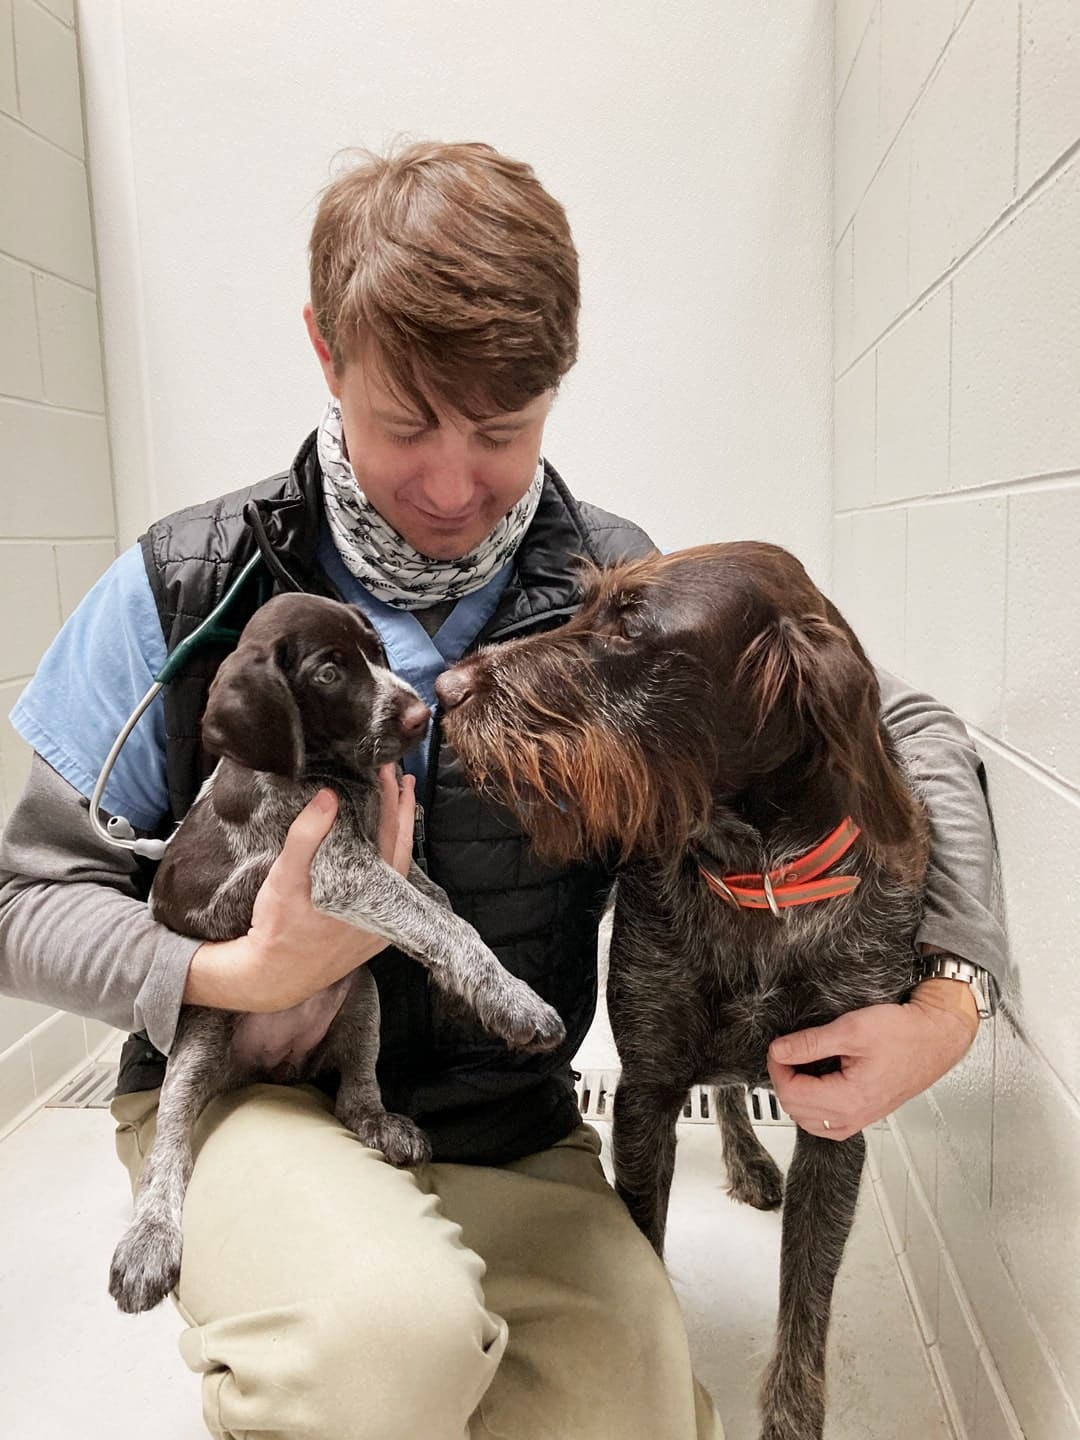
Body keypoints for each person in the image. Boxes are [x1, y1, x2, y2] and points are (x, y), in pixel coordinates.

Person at [0, 142, 1004, 1440]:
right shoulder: (184, 593)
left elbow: (901, 721)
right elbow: (22, 900)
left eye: (505, 428)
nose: (455, 482)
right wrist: (239, 977)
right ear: (323, 349)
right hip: (250, 1095)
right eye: (406, 420)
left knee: (638, 1415)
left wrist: (948, 999)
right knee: (381, 1352)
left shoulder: (611, 585)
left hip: (506, 1124)